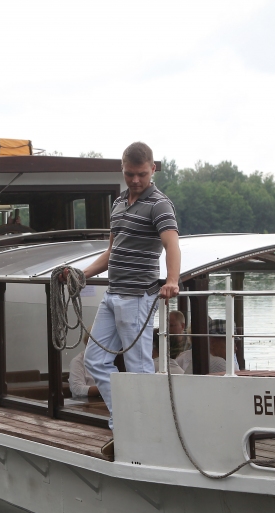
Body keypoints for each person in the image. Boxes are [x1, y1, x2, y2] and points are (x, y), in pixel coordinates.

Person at [75, 141, 181, 456]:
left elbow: (172, 246)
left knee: (138, 368)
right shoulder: (119, 202)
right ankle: (125, 423)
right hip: (113, 294)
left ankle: (149, 437)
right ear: (122, 168)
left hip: (138, 297)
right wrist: (83, 274)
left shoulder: (160, 204)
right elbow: (112, 251)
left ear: (153, 169)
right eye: (129, 174)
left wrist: (172, 280)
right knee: (94, 359)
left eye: (141, 174)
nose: (135, 180)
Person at [175, 319, 240, 374]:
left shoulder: (200, 358)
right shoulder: (218, 362)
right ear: (212, 342)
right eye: (230, 342)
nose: (235, 348)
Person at [68, 334, 100, 400]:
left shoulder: (108, 359)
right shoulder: (77, 362)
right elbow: (77, 389)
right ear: (86, 342)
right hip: (85, 404)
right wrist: (104, 389)